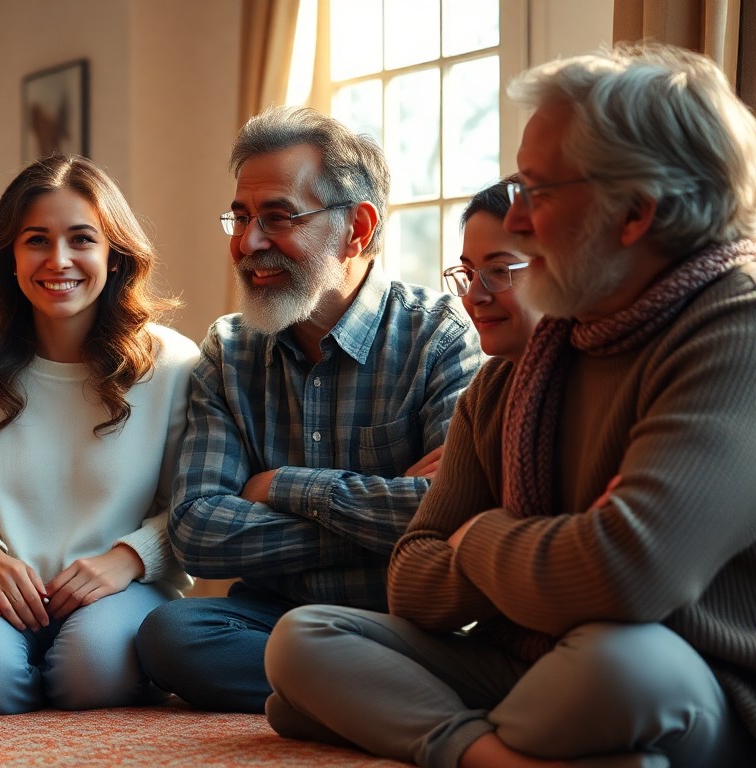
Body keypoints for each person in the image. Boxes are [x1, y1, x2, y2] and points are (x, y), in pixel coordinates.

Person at [264, 41, 756, 768]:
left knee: (618, 661)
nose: (515, 220)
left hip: (691, 679)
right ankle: (496, 758)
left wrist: (480, 539)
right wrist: (558, 548)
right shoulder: (520, 371)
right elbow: (412, 582)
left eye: (536, 191)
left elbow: (628, 573)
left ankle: (443, 733)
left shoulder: (734, 331)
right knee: (303, 641)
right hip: (529, 666)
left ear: (635, 212)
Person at [135, 105, 483, 713]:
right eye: (240, 218)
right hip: (272, 615)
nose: (248, 243)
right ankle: (376, 698)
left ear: (357, 228)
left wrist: (283, 487)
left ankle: (324, 696)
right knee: (172, 637)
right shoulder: (231, 347)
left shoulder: (440, 336)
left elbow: (456, 514)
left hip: (405, 618)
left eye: (278, 218)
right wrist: (383, 518)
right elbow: (197, 531)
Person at [0, 154, 197, 714]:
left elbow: (192, 506)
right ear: (10, 256)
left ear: (114, 255)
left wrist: (128, 558)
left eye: (81, 239)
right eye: (36, 241)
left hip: (120, 586)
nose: (59, 260)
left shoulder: (173, 364)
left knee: (91, 678)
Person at [442, 176, 542, 363]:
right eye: (469, 274)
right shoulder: (488, 386)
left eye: (498, 271)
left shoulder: (598, 385)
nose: (473, 296)